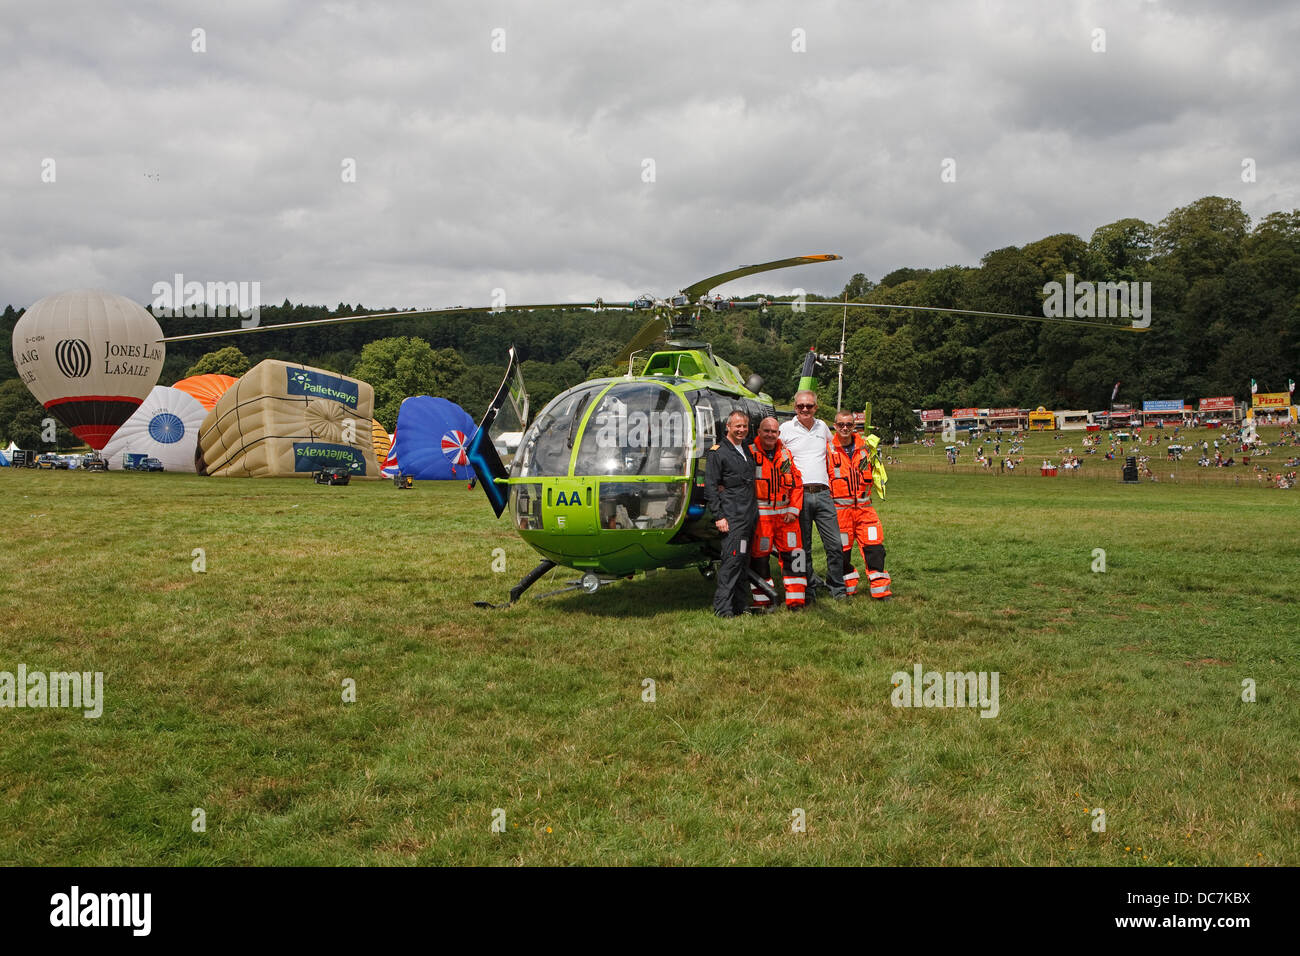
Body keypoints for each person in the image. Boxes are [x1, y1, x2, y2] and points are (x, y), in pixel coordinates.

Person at [779, 390, 846, 599]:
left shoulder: (823, 427)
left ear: (816, 407)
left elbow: (837, 447)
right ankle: (808, 589)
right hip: (799, 495)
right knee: (803, 547)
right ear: (794, 407)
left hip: (824, 494)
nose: (805, 409)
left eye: (809, 406)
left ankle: (837, 588)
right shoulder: (785, 429)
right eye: (801, 406)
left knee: (835, 544)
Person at [827, 410, 892, 599]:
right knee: (843, 552)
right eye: (841, 425)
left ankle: (881, 589)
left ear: (854, 426)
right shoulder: (828, 450)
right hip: (840, 512)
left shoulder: (866, 448)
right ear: (835, 426)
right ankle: (847, 587)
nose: (845, 428)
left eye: (848, 424)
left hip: (865, 510)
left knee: (875, 548)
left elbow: (878, 472)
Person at [704, 410, 759, 618]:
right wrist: (719, 516)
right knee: (732, 561)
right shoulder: (718, 452)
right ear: (728, 426)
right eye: (737, 426)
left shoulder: (745, 448)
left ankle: (740, 605)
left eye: (744, 426)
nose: (741, 430)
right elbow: (711, 487)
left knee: (743, 562)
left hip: (748, 514)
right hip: (732, 514)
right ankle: (723, 608)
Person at [748, 417, 807, 611]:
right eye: (766, 431)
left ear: (779, 434)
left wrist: (794, 509)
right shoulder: (749, 454)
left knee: (795, 557)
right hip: (762, 519)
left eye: (774, 431)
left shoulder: (786, 455)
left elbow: (798, 485)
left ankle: (796, 601)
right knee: (760, 558)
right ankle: (763, 600)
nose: (770, 434)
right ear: (759, 432)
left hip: (787, 518)